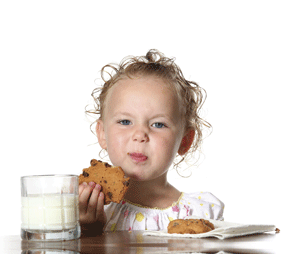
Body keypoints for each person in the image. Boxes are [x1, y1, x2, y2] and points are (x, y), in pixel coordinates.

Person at [79, 49, 224, 234]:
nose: (140, 135)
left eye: (158, 124)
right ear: (102, 134)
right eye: (125, 121)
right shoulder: (90, 209)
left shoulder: (201, 213)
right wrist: (88, 229)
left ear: (184, 141)